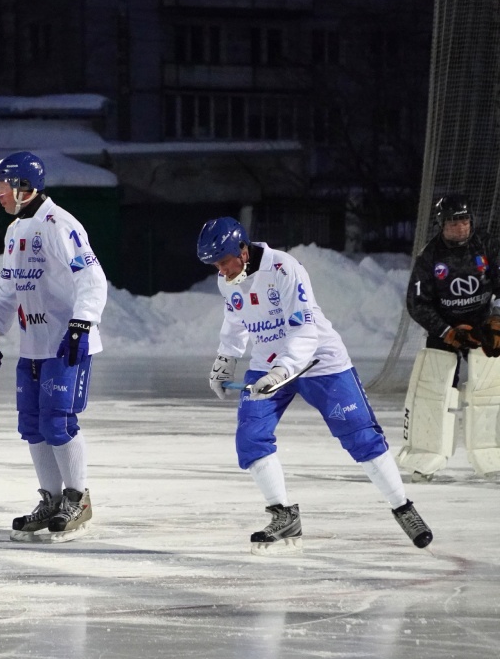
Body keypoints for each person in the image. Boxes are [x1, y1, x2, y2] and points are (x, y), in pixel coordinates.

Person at [199, 216, 433, 553]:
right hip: (267, 364)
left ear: (242, 250)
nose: (221, 271)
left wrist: (282, 371)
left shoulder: (284, 269)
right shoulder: (229, 280)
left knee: (361, 437)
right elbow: (236, 319)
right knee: (250, 438)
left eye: (223, 262)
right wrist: (225, 360)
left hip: (319, 361)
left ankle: (403, 508)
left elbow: (304, 329)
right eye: (215, 266)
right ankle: (283, 516)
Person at [0, 151, 106, 543]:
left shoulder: (59, 223)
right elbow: (7, 288)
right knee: (31, 425)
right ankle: (51, 499)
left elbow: (92, 278)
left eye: (1, 186)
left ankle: (77, 498)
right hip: (32, 344)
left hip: (64, 344)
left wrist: (81, 324)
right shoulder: (16, 229)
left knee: (57, 423)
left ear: (23, 187)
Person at [398, 194, 500, 480]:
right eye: (454, 222)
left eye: (465, 221)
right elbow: (416, 304)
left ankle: (494, 453)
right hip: (446, 329)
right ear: (441, 224)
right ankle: (426, 456)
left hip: (483, 323)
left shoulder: (487, 244)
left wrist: (496, 319)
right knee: (435, 393)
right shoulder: (429, 256)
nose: (461, 227)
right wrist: (447, 331)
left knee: (492, 389)